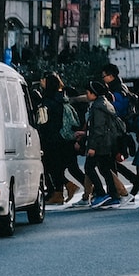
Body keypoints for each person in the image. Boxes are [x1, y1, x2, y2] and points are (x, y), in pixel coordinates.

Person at [81, 86, 130, 207]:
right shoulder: (105, 104)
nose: (86, 95)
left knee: (89, 168)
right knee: (105, 169)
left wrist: (92, 146)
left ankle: (102, 193)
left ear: (94, 94)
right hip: (107, 142)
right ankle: (113, 195)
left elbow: (98, 129)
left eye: (88, 92)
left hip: (100, 144)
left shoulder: (97, 107)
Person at [38, 72, 82, 205]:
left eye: (43, 80)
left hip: (52, 139)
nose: (41, 82)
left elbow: (44, 121)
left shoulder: (47, 100)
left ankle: (64, 189)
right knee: (65, 167)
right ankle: (61, 192)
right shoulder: (62, 97)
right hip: (64, 138)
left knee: (52, 167)